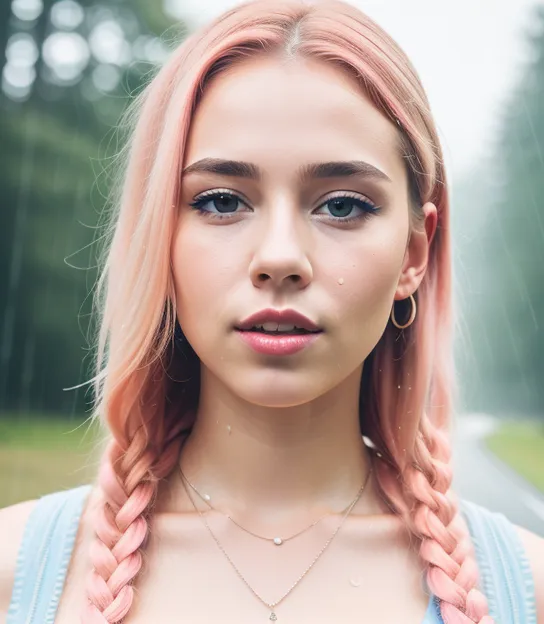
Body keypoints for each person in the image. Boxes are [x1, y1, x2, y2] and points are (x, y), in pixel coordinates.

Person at [1, 0, 543, 622]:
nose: (280, 258)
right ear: (161, 237)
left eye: (341, 206)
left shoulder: (525, 589)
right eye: (222, 200)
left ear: (412, 255)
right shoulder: (14, 573)